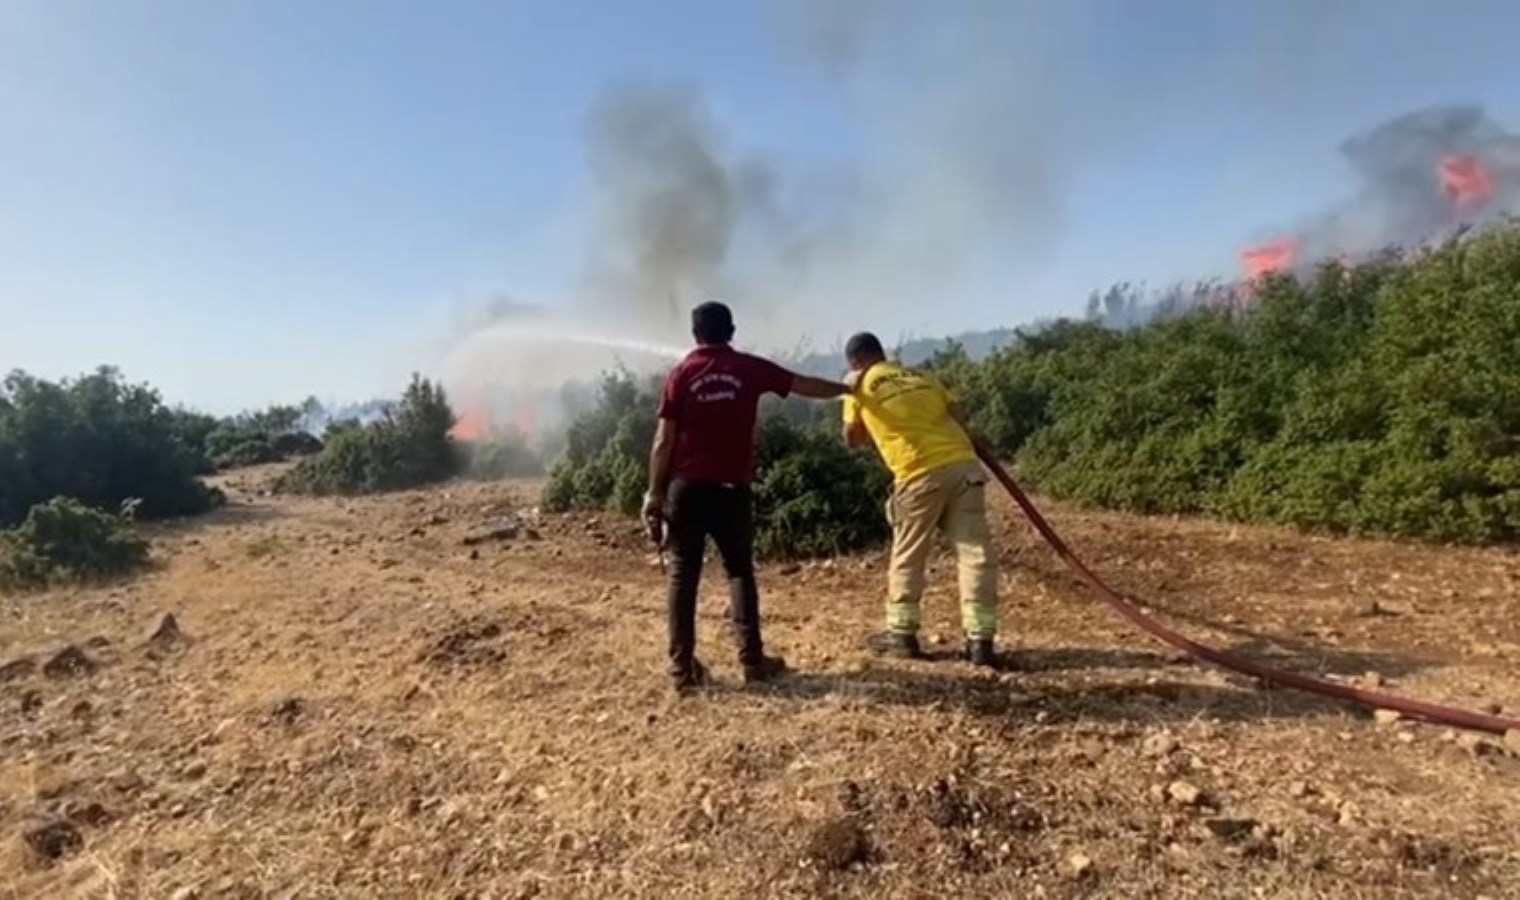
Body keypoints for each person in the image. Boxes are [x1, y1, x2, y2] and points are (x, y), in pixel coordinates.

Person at [644, 301, 850, 692]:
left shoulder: (681, 374)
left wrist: (654, 493)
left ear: (695, 334)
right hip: (731, 490)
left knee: (682, 576)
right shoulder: (748, 368)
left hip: (686, 489)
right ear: (732, 331)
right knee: (739, 571)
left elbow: (663, 441)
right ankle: (753, 662)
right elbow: (804, 385)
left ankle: (681, 672)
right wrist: (849, 390)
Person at [840, 331, 1001, 667]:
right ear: (882, 353)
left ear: (854, 361)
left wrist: (856, 398)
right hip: (964, 468)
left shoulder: (859, 385)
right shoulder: (923, 376)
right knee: (975, 553)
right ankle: (980, 643)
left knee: (909, 555)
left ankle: (901, 635)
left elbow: (852, 439)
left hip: (918, 474)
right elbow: (959, 416)